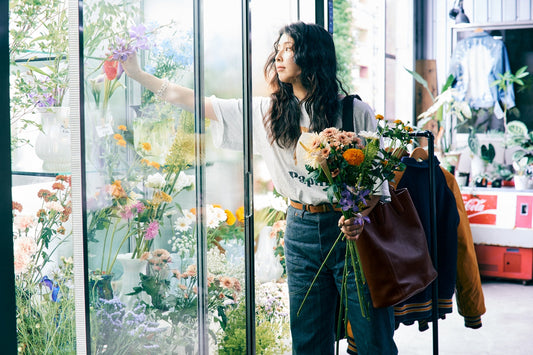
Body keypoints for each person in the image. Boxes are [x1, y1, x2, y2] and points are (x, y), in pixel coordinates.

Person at [121, 21, 397, 355]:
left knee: (373, 339)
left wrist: (358, 215)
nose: (279, 56)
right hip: (301, 233)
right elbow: (194, 100)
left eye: (289, 48)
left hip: (353, 233)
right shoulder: (267, 112)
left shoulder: (354, 112)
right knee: (309, 341)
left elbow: (378, 185)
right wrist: (136, 74)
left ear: (313, 56)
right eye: (278, 48)